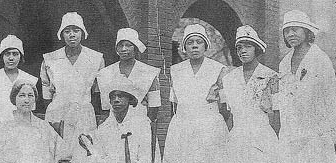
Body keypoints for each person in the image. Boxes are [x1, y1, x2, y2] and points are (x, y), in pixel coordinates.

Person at [274, 10, 336, 163]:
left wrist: (332, 134)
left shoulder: (320, 59)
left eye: (295, 29)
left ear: (306, 31)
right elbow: (283, 100)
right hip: (290, 133)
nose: (290, 34)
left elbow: (331, 97)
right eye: (287, 31)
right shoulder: (284, 63)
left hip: (316, 132)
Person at [40, 12, 105, 160]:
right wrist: (55, 109)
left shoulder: (95, 58)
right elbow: (45, 89)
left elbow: (97, 91)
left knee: (83, 154)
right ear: (61, 34)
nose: (72, 35)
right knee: (57, 154)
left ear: (82, 32)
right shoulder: (50, 58)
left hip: (83, 113)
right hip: (57, 113)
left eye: (76, 30)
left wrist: (86, 108)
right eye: (67, 31)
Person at [163, 24, 228, 163]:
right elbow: (173, 104)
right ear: (185, 47)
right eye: (190, 42)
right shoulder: (175, 70)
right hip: (182, 127)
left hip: (209, 127)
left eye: (199, 42)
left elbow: (224, 106)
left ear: (205, 45)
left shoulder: (218, 69)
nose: (194, 46)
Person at [97, 28, 161, 162]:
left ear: (136, 47)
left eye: (128, 45)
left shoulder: (148, 72)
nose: (124, 49)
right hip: (114, 124)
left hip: (140, 124)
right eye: (121, 45)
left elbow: (154, 105)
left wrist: (143, 125)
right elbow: (105, 105)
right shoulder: (106, 72)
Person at [221, 25, 280, 163]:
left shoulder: (271, 76)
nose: (243, 51)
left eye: (248, 46)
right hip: (237, 139)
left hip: (262, 138)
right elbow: (230, 115)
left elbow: (277, 114)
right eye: (239, 47)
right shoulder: (229, 79)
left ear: (256, 49)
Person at [0, 35, 38, 161]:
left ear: (20, 56)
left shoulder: (29, 79)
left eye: (15, 54)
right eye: (7, 54)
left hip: (22, 130)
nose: (11, 58)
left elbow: (31, 111)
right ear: (1, 56)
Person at [0, 80, 67, 163]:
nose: (27, 100)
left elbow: (63, 154)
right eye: (22, 95)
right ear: (14, 98)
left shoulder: (43, 127)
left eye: (30, 95)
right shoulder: (1, 125)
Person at [77, 78, 153, 163]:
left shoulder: (142, 124)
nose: (116, 100)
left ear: (129, 99)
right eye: (113, 97)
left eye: (120, 96)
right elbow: (100, 155)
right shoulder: (104, 128)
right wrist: (89, 145)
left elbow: (146, 157)